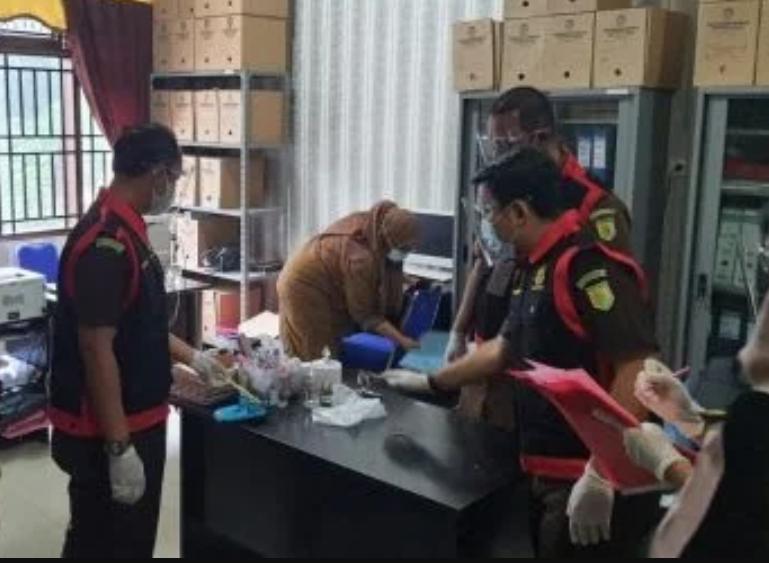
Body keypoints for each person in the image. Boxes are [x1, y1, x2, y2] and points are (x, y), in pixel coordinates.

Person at [384, 148, 659, 558]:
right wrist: (433, 382)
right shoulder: (532, 268)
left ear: (518, 212)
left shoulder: (586, 267)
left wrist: (602, 471)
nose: (486, 223)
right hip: (545, 469)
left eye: (488, 212)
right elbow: (504, 349)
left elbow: (638, 368)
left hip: (589, 479)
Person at [49, 124, 229, 558]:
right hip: (109, 430)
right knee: (107, 544)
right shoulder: (105, 245)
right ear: (158, 174)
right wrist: (119, 447)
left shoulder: (129, 232)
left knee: (123, 541)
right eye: (175, 177)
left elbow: (138, 323)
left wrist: (195, 358)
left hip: (138, 418)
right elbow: (96, 348)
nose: (173, 188)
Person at [446, 87, 633, 430]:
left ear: (540, 138)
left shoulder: (593, 206)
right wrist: (458, 332)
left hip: (547, 377)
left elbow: (617, 323)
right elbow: (484, 259)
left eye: (505, 146)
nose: (497, 158)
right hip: (492, 358)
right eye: (493, 147)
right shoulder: (506, 188)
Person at [622, 296, 769, 558]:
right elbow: (751, 454)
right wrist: (691, 418)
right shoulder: (753, 412)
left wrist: (668, 465)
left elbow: (738, 514)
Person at [277, 201, 420, 361]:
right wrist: (402, 340)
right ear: (388, 240)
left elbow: (380, 265)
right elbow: (366, 316)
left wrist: (403, 278)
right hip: (304, 285)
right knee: (317, 353)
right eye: (403, 249)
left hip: (309, 267)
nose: (406, 254)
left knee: (330, 338)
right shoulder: (361, 260)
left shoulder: (375, 224)